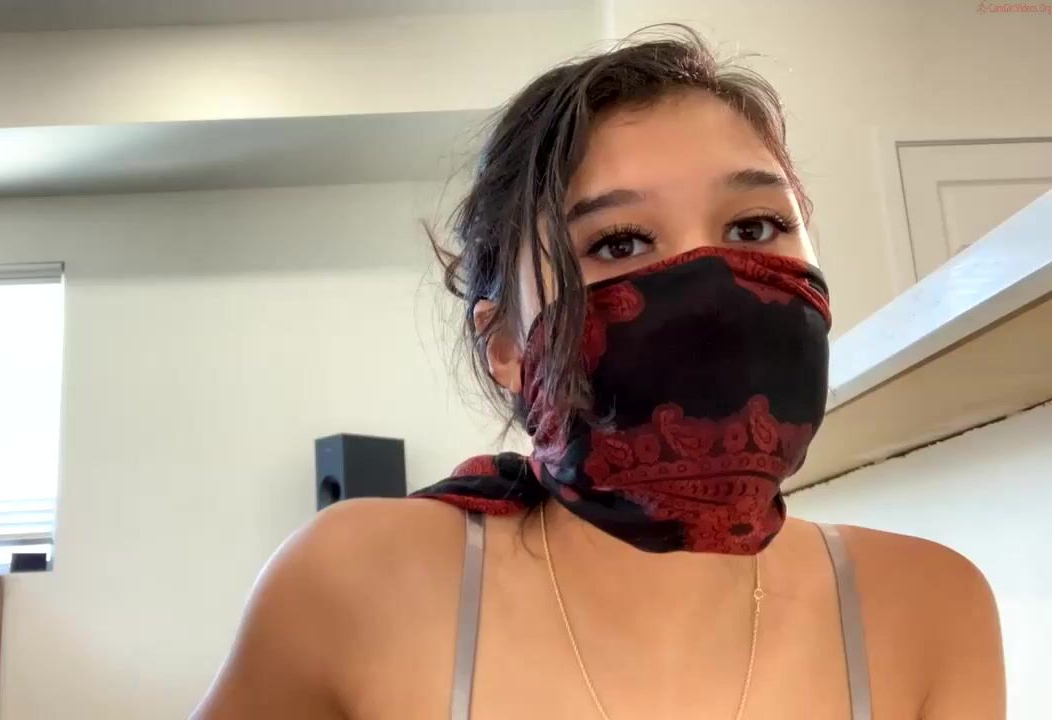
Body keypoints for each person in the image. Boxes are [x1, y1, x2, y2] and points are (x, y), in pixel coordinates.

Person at [193, 26, 1004, 720]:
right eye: (620, 243)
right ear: (505, 345)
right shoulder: (354, 588)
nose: (712, 288)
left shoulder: (928, 609)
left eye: (754, 226)